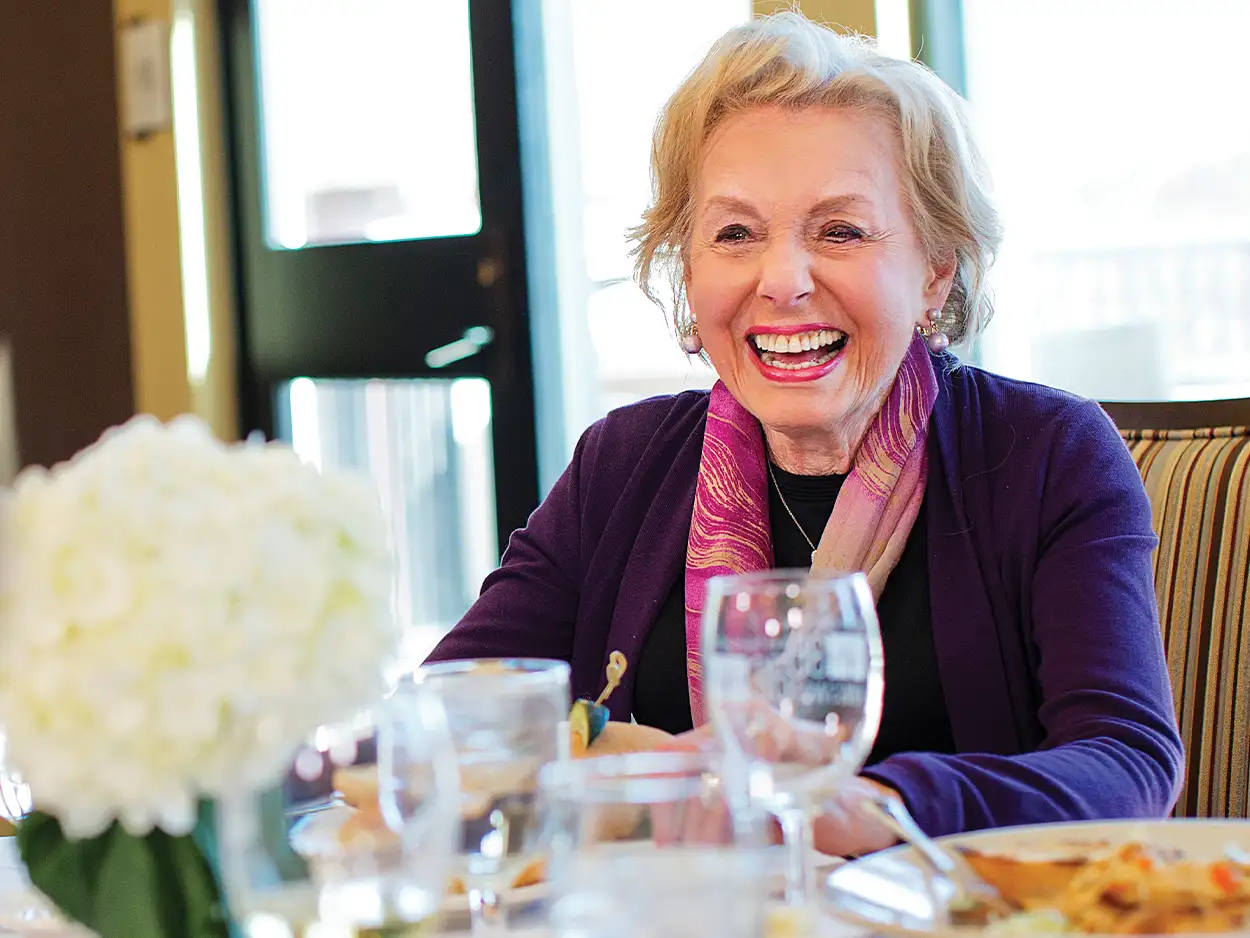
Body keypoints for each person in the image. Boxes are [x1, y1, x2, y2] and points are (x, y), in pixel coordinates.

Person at [426, 12, 1183, 855]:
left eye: (841, 231)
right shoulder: (622, 464)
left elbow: (1126, 764)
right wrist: (616, 760)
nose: (782, 281)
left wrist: (862, 808)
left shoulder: (1048, 452)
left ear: (935, 270)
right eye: (735, 234)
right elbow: (451, 716)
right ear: (690, 269)